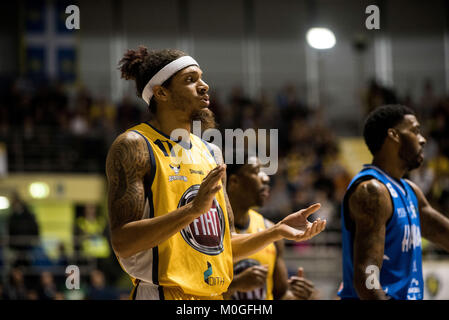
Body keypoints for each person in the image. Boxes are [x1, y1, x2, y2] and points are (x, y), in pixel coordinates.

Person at [105, 46, 326, 300]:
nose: (204, 86)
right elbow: (122, 242)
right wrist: (191, 211)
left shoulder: (211, 153)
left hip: (213, 296)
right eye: (190, 80)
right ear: (161, 92)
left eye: (201, 77)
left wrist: (276, 231)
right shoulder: (135, 145)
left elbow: (225, 244)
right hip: (161, 293)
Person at [338, 104, 449, 300]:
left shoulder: (410, 191)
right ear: (394, 135)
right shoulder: (372, 191)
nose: (422, 140)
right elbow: (366, 277)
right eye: (415, 131)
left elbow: (444, 234)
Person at [224, 155, 316, 300]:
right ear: (234, 182)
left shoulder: (270, 229)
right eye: (256, 171)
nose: (266, 178)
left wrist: (296, 295)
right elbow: (194, 290)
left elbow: (281, 295)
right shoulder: (209, 228)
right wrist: (235, 284)